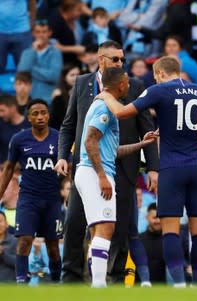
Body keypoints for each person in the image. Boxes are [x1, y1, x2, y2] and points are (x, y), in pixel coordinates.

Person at [97, 55, 197, 287]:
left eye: (155, 76)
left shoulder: (159, 90)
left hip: (172, 168)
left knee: (170, 230)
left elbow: (122, 113)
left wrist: (105, 96)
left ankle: (180, 286)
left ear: (161, 74)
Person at [54, 40, 159, 284]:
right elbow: (71, 126)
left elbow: (146, 125)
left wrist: (152, 165)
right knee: (76, 225)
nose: (121, 64)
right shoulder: (85, 86)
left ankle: (111, 281)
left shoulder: (134, 85)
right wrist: (62, 156)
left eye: (123, 59)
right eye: (115, 60)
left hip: (119, 167)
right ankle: (72, 281)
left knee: (116, 229)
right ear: (101, 60)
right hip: (92, 168)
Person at [74, 67, 158, 288]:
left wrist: (142, 144)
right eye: (127, 82)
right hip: (95, 173)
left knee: (97, 231)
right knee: (106, 228)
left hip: (90, 171)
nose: (129, 86)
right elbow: (90, 141)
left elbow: (111, 150)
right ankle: (99, 285)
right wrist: (102, 176)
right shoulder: (105, 106)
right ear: (120, 84)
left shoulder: (103, 106)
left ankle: (96, 283)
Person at [0, 99, 63, 283]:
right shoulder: (19, 140)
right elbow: (9, 168)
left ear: (49, 115)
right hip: (28, 199)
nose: (40, 116)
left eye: (43, 112)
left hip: (52, 199)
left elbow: (69, 166)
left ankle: (56, 282)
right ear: (28, 117)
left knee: (53, 247)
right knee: (25, 240)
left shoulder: (59, 138)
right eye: (35, 113)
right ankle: (21, 282)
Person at [17, 19, 63, 104]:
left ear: (49, 33)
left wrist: (31, 69)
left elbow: (54, 76)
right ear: (33, 33)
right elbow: (22, 73)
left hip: (48, 99)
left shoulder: (56, 53)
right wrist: (33, 50)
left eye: (44, 32)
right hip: (28, 99)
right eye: (38, 32)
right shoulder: (27, 52)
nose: (41, 35)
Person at [139, 203, 166, 284]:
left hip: (165, 289)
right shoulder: (138, 241)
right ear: (147, 217)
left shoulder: (169, 241)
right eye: (154, 218)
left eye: (160, 218)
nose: (157, 221)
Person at [0, 95, 31, 165]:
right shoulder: (1, 124)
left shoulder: (29, 126)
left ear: (13, 108)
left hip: (24, 170)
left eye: (2, 110)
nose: (0, 114)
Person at [0, 211, 17, 282]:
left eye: (0, 221)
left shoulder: (15, 241)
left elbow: (20, 263)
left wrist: (3, 254)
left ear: (7, 224)